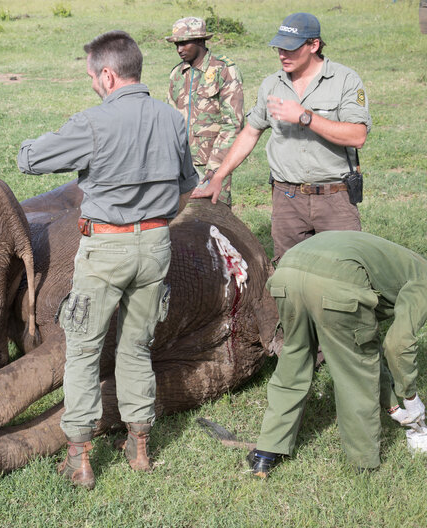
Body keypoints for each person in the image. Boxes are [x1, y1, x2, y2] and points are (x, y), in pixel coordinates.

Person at [17, 30, 198, 489]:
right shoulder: (172, 119)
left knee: (82, 349)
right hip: (156, 244)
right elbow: (186, 184)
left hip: (106, 249)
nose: (92, 84)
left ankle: (79, 455)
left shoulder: (93, 123)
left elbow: (30, 159)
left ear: (108, 74)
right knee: (137, 346)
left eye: (92, 77)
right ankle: (139, 447)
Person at [192, 12, 370, 262]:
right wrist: (219, 176)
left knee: (344, 272)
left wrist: (304, 117)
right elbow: (251, 132)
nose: (282, 55)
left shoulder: (344, 80)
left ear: (313, 45)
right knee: (290, 275)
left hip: (335, 199)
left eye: (290, 48)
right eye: (279, 48)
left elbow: (357, 135)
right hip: (288, 200)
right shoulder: (271, 85)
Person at [247, 231, 427, 478]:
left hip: (288, 272)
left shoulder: (405, 261)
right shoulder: (423, 280)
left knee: (294, 359)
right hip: (337, 283)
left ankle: (266, 453)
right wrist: (411, 397)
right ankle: (364, 464)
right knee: (356, 372)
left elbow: (372, 343)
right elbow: (397, 345)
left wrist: (393, 407)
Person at [166, 16, 244, 207]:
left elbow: (233, 124)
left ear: (200, 41)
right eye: (177, 44)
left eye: (184, 43)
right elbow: (168, 121)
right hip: (180, 166)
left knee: (215, 219)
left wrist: (216, 167)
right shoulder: (177, 74)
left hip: (213, 165)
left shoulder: (223, 71)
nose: (179, 49)